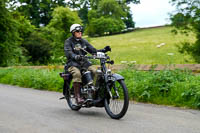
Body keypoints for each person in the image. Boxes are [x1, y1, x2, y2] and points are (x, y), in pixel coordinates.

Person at [64, 24, 111, 105]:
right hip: (73, 64)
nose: (80, 32)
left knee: (96, 72)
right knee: (77, 74)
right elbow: (69, 53)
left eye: (81, 31)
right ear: (73, 32)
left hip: (85, 63)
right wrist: (75, 56)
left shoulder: (83, 41)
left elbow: (93, 51)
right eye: (78, 31)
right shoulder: (68, 41)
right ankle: (78, 97)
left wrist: (103, 50)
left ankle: (94, 92)